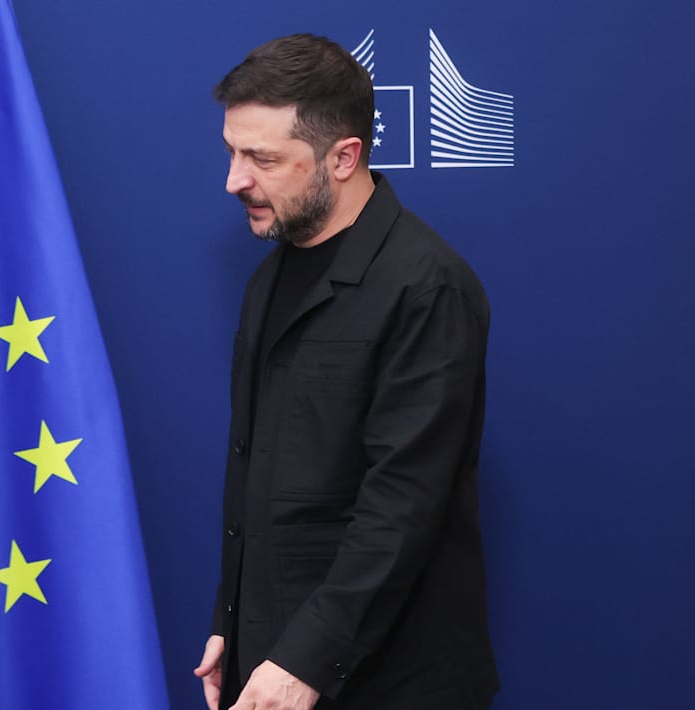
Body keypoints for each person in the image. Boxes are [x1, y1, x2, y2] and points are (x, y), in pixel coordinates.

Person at [192, 33, 499, 710]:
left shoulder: (427, 287)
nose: (235, 180)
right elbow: (259, 479)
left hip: (392, 682)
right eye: (233, 152)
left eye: (263, 159)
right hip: (272, 664)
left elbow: (402, 504)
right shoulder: (269, 278)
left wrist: (301, 661)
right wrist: (231, 626)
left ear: (343, 157)